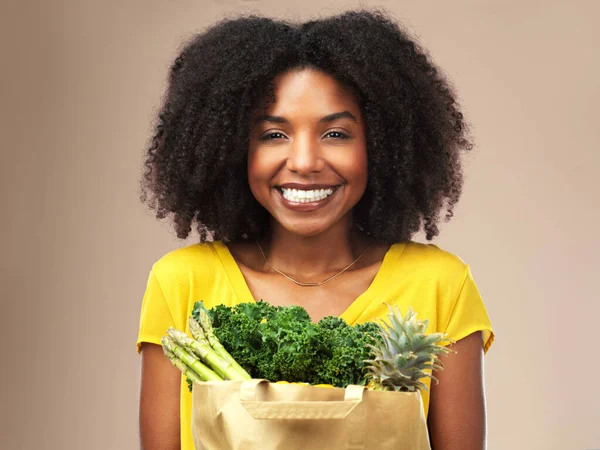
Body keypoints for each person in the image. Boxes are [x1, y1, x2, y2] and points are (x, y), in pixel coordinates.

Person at [136, 9, 494, 450]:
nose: (304, 162)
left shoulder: (441, 286)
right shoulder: (181, 284)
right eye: (272, 135)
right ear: (230, 148)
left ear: (382, 144)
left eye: (336, 134)